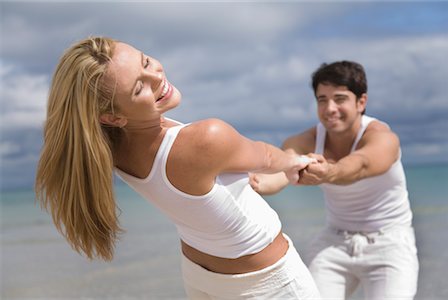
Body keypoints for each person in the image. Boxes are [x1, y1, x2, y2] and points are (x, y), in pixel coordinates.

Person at [35, 36, 321, 299]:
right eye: (139, 88)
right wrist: (297, 161)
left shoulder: (107, 148)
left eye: (146, 62)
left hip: (200, 278)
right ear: (112, 117)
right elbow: (268, 158)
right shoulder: (206, 138)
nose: (156, 77)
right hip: (268, 284)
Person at [250, 61, 418, 299]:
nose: (329, 108)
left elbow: (359, 166)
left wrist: (328, 172)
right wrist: (255, 182)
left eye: (339, 99)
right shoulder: (306, 140)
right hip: (335, 241)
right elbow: (282, 171)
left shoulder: (383, 138)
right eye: (322, 99)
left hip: (389, 243)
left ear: (361, 102)